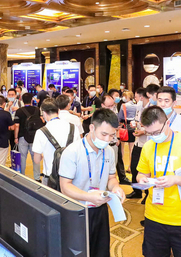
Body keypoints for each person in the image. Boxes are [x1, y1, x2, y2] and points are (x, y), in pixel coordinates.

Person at [136, 105, 181, 256]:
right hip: (154, 217)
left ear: (167, 123)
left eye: (157, 132)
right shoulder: (148, 146)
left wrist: (176, 179)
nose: (154, 136)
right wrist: (142, 179)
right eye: (150, 133)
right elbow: (141, 173)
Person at [59, 108, 125, 257]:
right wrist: (89, 197)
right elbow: (65, 186)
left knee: (100, 251)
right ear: (92, 128)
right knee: (78, 252)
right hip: (77, 211)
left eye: (112, 135)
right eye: (104, 134)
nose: (107, 140)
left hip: (100, 209)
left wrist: (116, 187)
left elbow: (111, 178)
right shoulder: (72, 152)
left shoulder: (109, 151)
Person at [33, 98, 80, 186]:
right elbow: (79, 152)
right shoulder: (73, 128)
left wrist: (44, 154)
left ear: (44, 113)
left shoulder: (41, 132)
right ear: (58, 111)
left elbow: (36, 160)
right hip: (71, 178)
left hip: (50, 178)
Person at [101, 94, 131, 185]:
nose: (111, 108)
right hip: (103, 146)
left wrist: (117, 138)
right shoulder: (99, 116)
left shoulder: (114, 114)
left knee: (112, 169)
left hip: (114, 145)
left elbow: (116, 128)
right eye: (109, 106)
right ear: (102, 105)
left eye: (112, 105)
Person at [13, 92, 41, 181]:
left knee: (22, 157)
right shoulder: (37, 110)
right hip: (35, 137)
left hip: (22, 136)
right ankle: (37, 177)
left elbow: (16, 125)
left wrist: (15, 137)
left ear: (22, 100)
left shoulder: (19, 111)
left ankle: (22, 177)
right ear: (32, 100)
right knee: (35, 157)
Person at [126, 87, 148, 200]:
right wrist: (134, 124)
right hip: (138, 142)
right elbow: (137, 120)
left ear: (142, 97)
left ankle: (148, 194)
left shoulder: (150, 108)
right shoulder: (139, 106)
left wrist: (143, 131)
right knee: (134, 167)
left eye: (136, 97)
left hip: (147, 143)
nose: (135, 99)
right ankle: (136, 191)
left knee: (146, 170)